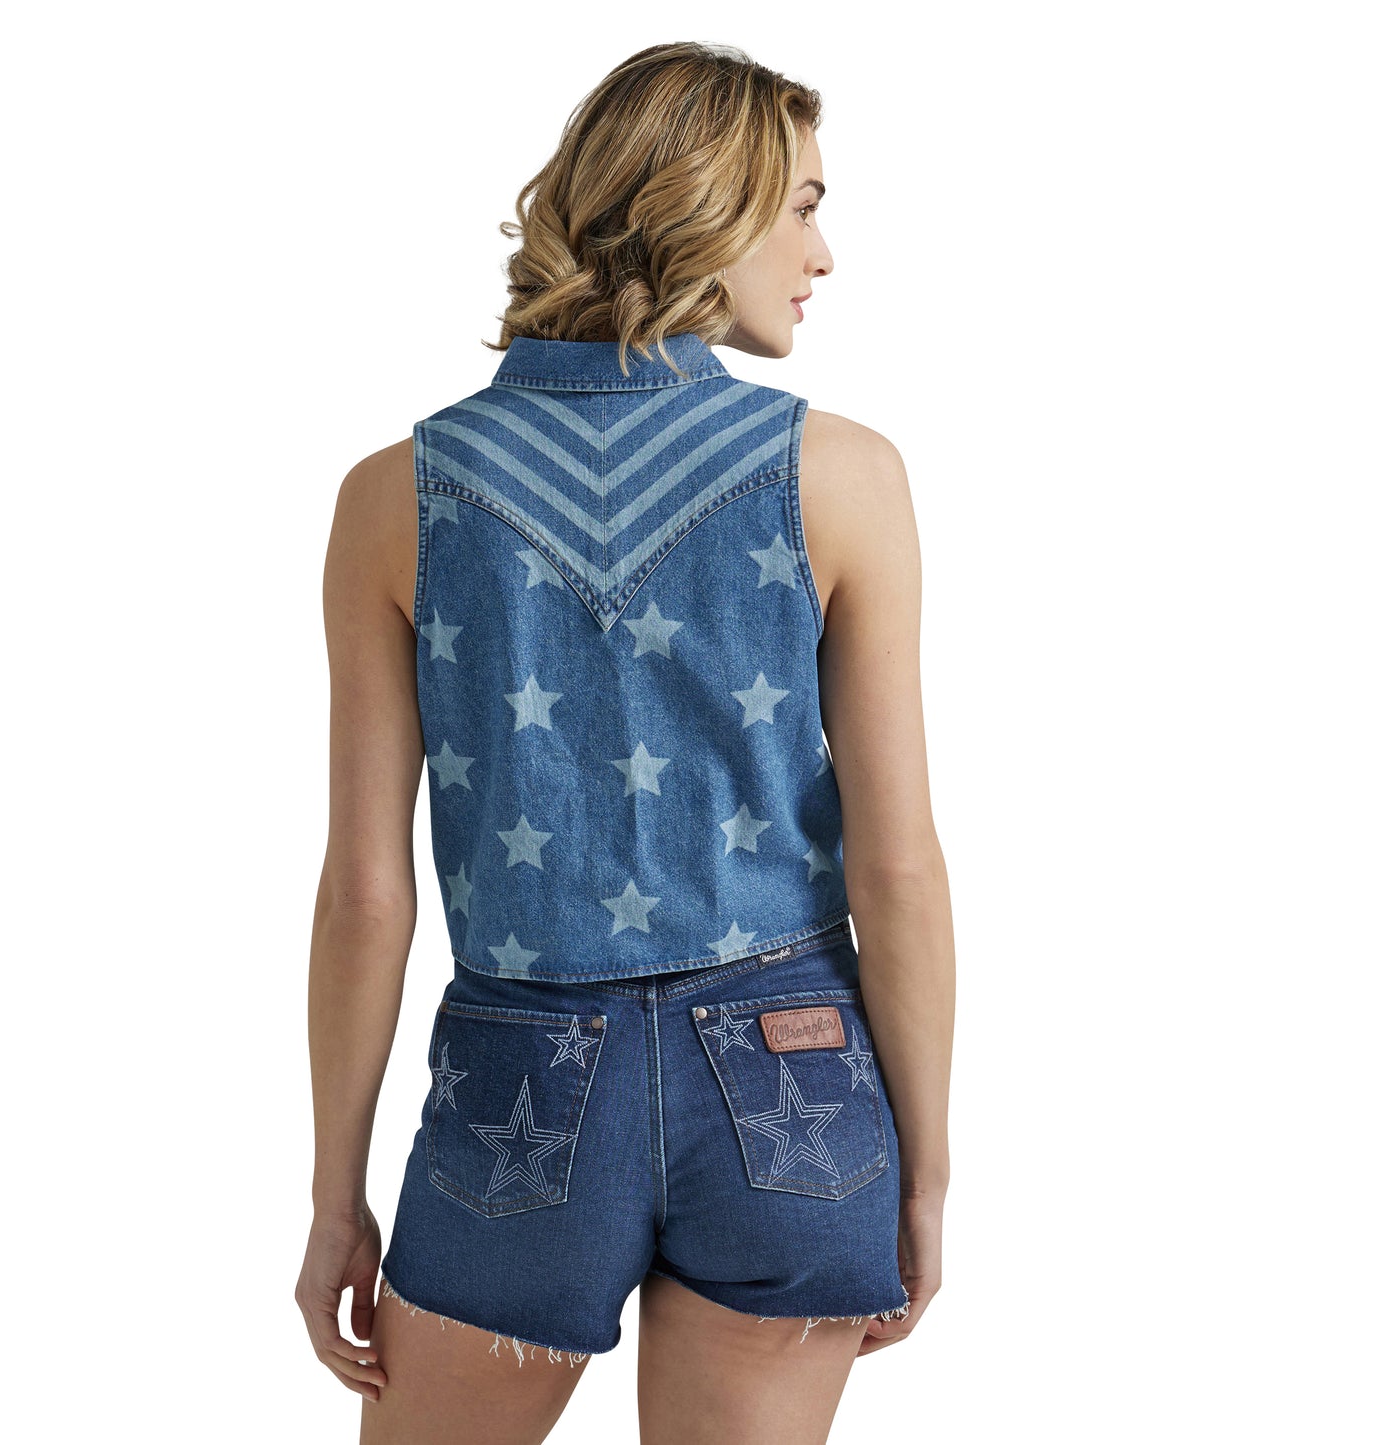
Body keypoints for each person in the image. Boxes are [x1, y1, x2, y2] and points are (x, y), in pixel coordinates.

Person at [296, 41, 955, 1445]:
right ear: (708, 208)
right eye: (802, 206)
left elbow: (365, 890)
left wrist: (332, 1194)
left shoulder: (393, 498)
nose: (823, 254)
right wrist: (925, 1169)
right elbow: (896, 868)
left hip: (519, 1089)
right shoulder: (842, 476)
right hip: (795, 1082)